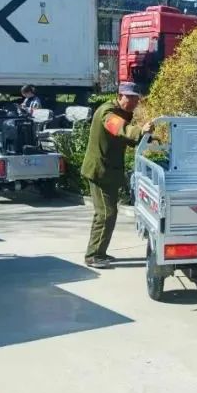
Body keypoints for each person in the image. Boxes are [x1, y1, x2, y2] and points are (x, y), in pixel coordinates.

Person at [81, 82, 153, 269]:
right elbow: (118, 128)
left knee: (106, 213)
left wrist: (148, 139)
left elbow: (124, 136)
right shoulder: (107, 112)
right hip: (100, 171)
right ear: (120, 96)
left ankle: (98, 252)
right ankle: (93, 256)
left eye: (136, 99)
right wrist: (139, 131)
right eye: (130, 98)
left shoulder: (121, 112)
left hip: (109, 172)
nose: (134, 102)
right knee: (106, 214)